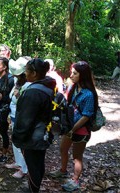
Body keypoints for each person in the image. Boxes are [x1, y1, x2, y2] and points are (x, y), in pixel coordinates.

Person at [49, 61, 98, 192]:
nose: (71, 75)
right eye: (72, 72)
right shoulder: (73, 88)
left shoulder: (89, 94)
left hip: (80, 131)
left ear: (83, 75)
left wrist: (73, 129)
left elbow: (86, 116)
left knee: (77, 157)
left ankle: (75, 180)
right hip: (69, 127)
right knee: (63, 148)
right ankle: (63, 171)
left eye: (75, 73)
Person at [12, 58, 56, 192]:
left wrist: (18, 138)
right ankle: (33, 188)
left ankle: (33, 190)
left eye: (26, 71)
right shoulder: (46, 86)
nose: (25, 74)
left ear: (35, 73)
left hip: (33, 137)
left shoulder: (33, 92)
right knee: (38, 164)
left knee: (33, 166)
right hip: (42, 133)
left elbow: (26, 119)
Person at [5, 57, 29, 178]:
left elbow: (25, 103)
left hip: (22, 117)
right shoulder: (17, 81)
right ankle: (18, 162)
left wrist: (18, 95)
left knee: (21, 143)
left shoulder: (28, 85)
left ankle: (24, 169)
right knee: (15, 141)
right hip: (14, 115)